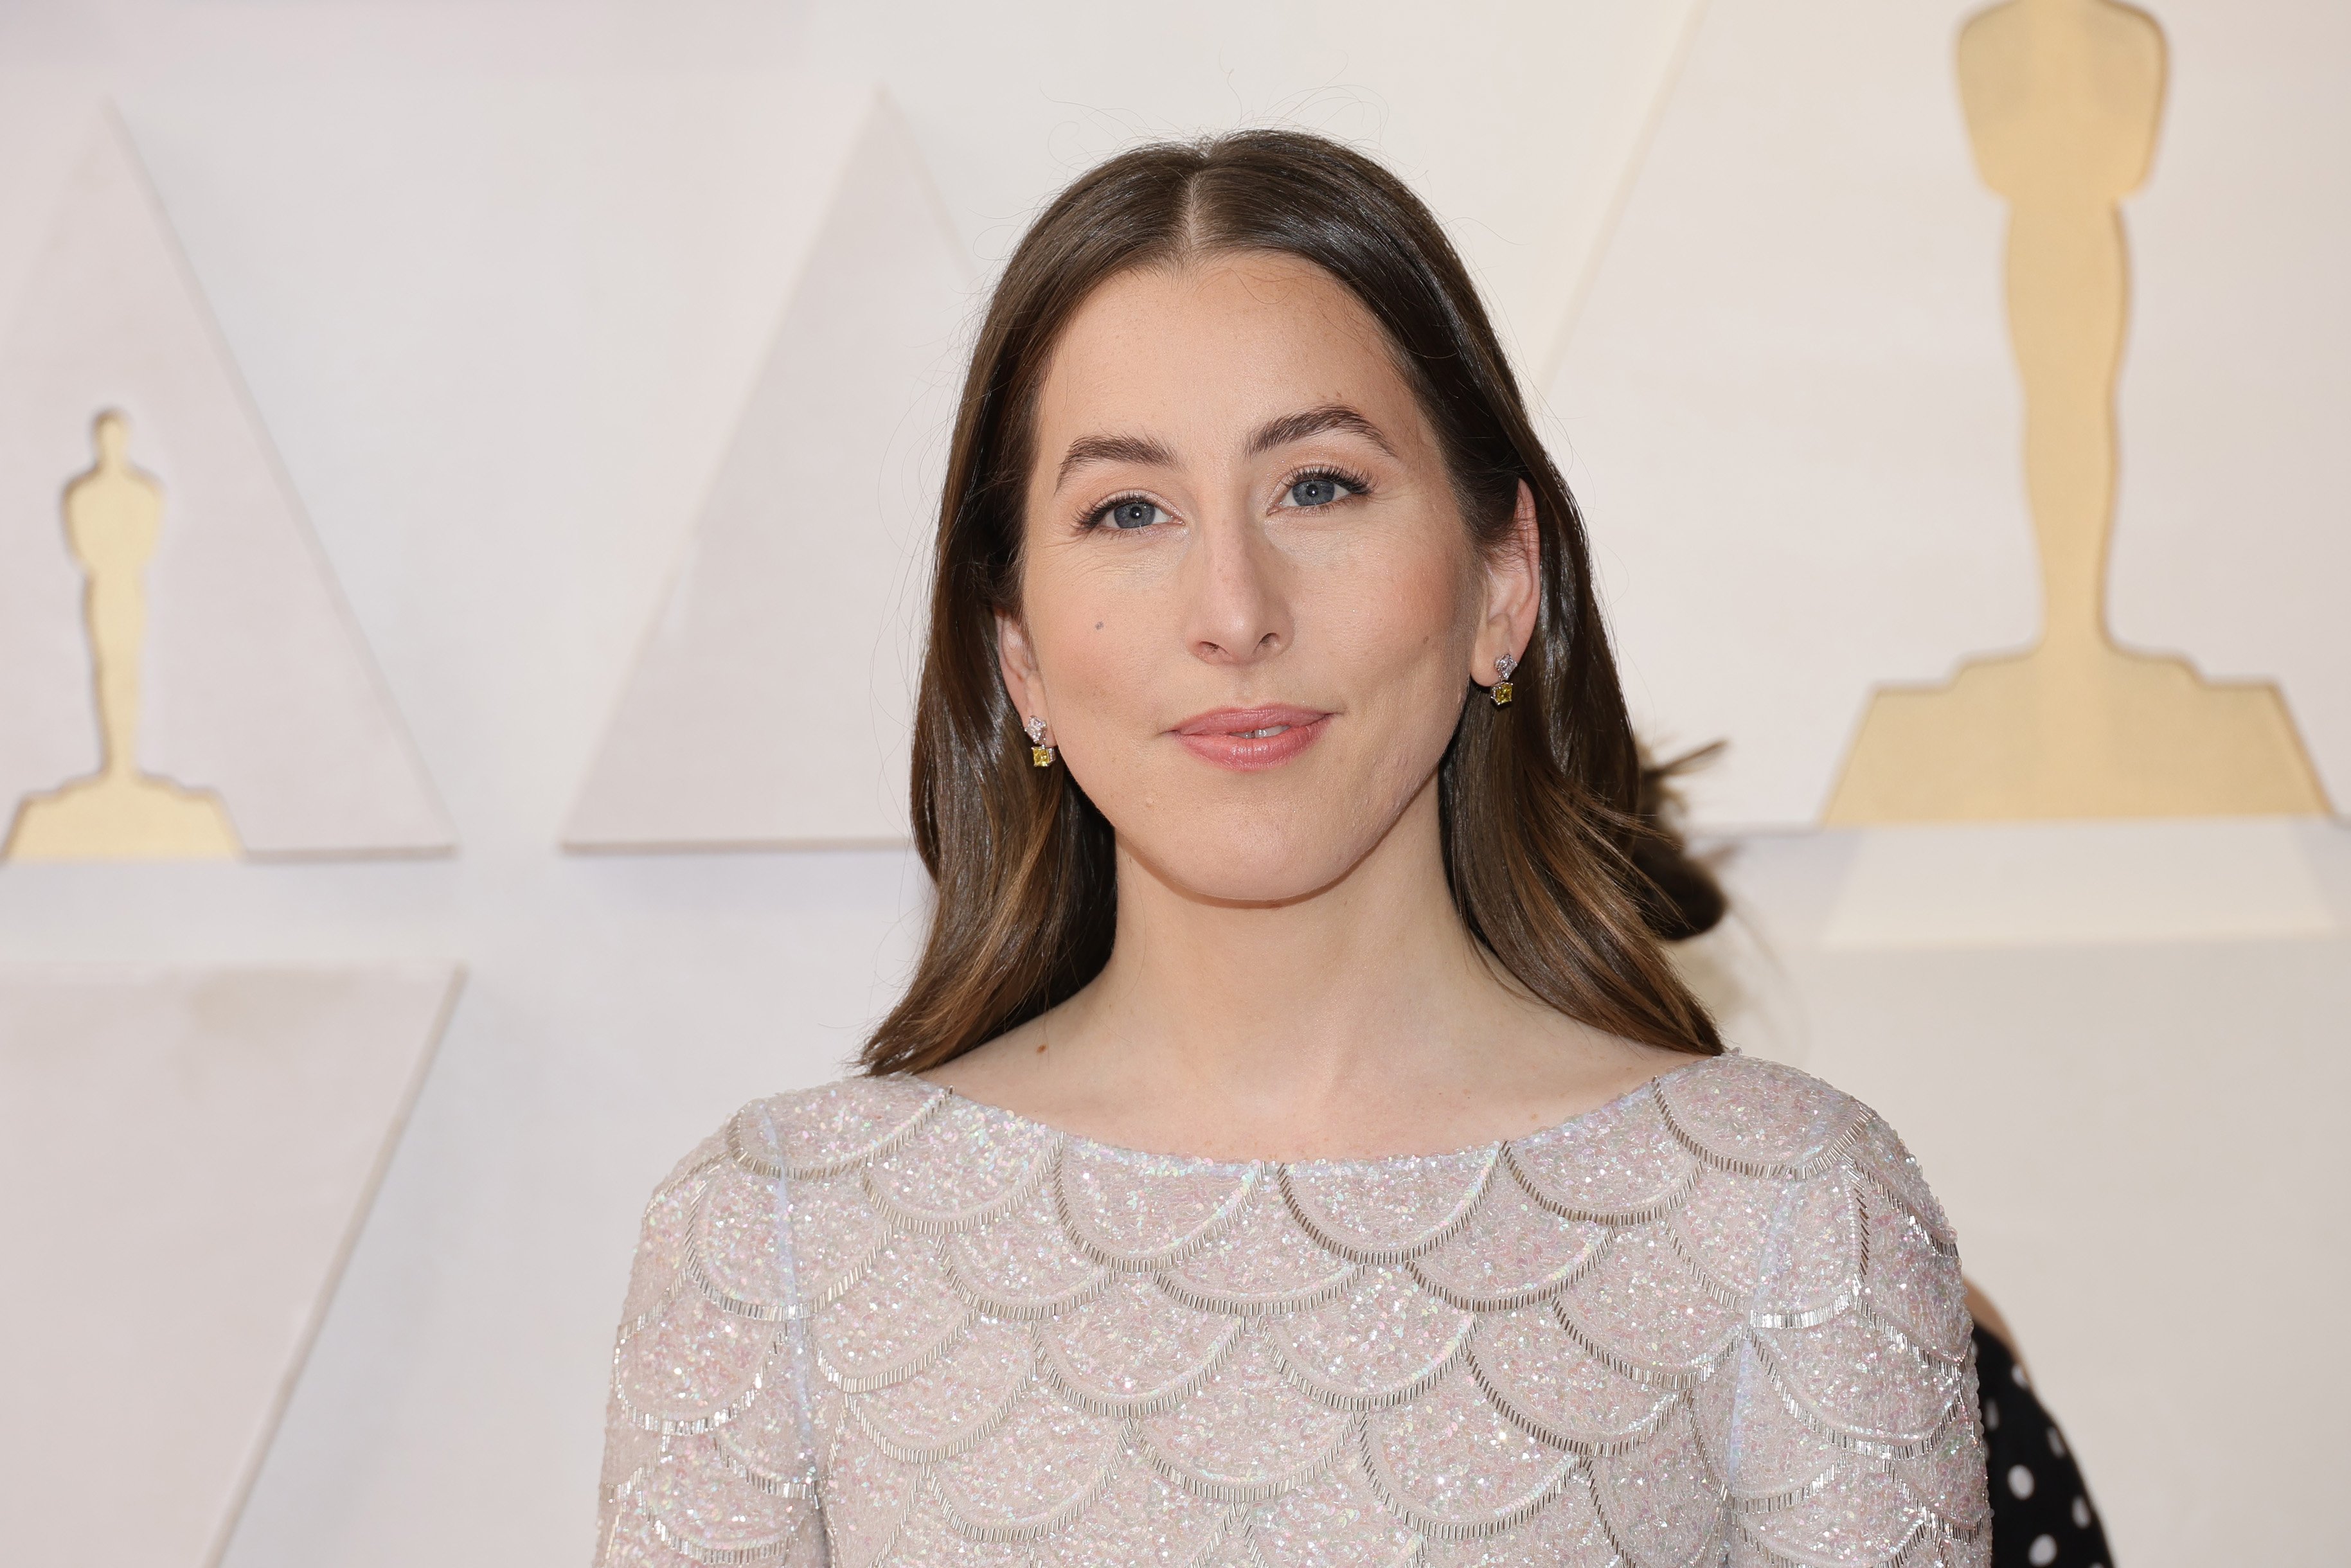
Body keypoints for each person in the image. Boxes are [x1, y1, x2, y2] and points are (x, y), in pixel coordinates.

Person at [594, 129, 1989, 1565]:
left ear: (1500, 583)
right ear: (1016, 652)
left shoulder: (1790, 1215)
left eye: (1317, 485)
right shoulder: (775, 1246)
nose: (1233, 607)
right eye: (1126, 509)